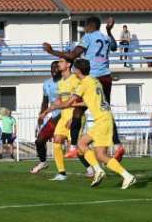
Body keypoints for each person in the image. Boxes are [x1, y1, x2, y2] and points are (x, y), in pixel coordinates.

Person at [41, 59, 136, 189]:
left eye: (74, 68)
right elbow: (87, 102)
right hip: (103, 119)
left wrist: (54, 108)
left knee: (100, 154)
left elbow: (68, 103)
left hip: (103, 121)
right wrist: (71, 104)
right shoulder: (94, 80)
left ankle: (126, 176)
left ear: (77, 70)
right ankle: (99, 171)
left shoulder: (84, 83)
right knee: (82, 144)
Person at [43, 16, 125, 162]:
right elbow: (114, 47)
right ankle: (118, 145)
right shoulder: (105, 37)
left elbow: (73, 55)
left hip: (93, 78)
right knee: (105, 109)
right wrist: (109, 30)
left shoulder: (88, 37)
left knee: (77, 111)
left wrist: (52, 52)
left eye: (85, 27)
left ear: (88, 26)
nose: (84, 29)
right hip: (106, 77)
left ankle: (74, 147)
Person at [45, 57, 92, 181]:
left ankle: (91, 167)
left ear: (68, 64)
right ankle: (62, 173)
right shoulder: (60, 82)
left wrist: (74, 118)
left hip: (75, 116)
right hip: (63, 116)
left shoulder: (75, 79)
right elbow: (60, 100)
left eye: (61, 62)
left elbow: (81, 99)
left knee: (78, 148)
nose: (58, 64)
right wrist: (47, 110)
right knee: (56, 141)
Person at [30, 61, 61, 174]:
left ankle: (92, 167)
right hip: (55, 117)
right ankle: (43, 162)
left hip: (67, 116)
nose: (53, 70)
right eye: (52, 68)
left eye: (56, 68)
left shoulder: (65, 82)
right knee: (39, 140)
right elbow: (45, 101)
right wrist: (41, 115)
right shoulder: (46, 83)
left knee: (77, 145)